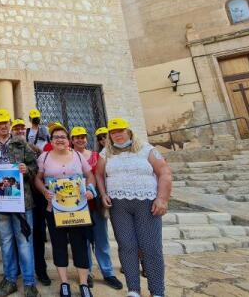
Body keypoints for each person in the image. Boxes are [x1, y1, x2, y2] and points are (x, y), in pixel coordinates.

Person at [95, 118, 172, 297]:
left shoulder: (147, 149)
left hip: (146, 203)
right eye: (113, 132)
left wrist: (162, 198)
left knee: (151, 247)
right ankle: (133, 290)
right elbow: (98, 174)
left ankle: (157, 291)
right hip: (119, 205)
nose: (117, 134)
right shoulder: (106, 153)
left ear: (129, 132)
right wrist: (103, 193)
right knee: (126, 246)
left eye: (121, 131)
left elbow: (164, 172)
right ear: (109, 136)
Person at [0, 109, 40, 297]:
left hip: (22, 202)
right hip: (0, 202)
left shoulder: (21, 143)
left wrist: (26, 169)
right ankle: (10, 280)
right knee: (5, 241)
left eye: (5, 123)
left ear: (10, 124)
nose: (3, 126)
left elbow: (34, 166)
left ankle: (29, 283)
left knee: (24, 241)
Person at [34, 123, 96, 297]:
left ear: (68, 140)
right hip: (54, 209)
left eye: (62, 137)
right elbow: (37, 179)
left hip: (78, 208)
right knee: (59, 244)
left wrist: (91, 190)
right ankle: (64, 283)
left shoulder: (77, 155)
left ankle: (83, 283)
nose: (59, 140)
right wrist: (44, 191)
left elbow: (90, 174)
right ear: (51, 140)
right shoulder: (44, 157)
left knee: (79, 244)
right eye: (56, 137)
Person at [70, 126, 123, 290]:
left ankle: (108, 272)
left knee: (101, 240)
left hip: (96, 204)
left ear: (86, 139)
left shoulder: (96, 155)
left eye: (83, 137)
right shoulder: (69, 157)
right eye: (76, 137)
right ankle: (87, 273)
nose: (80, 139)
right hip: (78, 206)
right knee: (84, 241)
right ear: (72, 140)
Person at [11, 118, 50, 285]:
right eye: (16, 129)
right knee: (17, 235)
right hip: (15, 199)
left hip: (36, 199)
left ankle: (40, 270)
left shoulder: (36, 150)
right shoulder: (7, 150)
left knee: (38, 235)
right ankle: (19, 268)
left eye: (22, 129)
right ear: (12, 131)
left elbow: (40, 173)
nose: (19, 131)